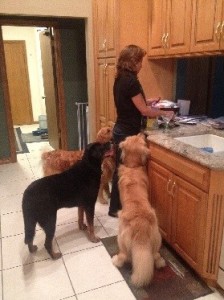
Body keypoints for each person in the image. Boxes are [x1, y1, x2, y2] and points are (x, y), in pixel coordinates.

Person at [108, 44, 174, 217]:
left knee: (120, 172)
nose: (141, 65)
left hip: (120, 129)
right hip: (128, 133)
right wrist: (165, 112)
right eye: (140, 61)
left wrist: (150, 101)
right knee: (130, 174)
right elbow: (143, 111)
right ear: (132, 62)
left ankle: (116, 208)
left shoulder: (121, 78)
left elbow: (133, 102)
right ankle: (122, 209)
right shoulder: (131, 81)